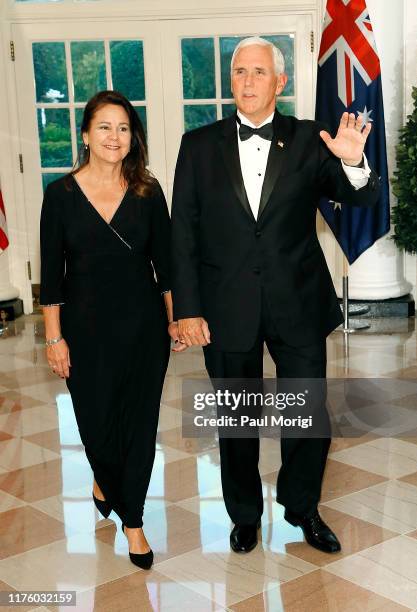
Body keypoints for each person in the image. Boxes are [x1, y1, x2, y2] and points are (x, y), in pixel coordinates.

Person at [171, 37, 380, 555]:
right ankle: (244, 515)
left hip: (298, 300)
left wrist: (355, 162)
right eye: (239, 71)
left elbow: (358, 196)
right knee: (236, 422)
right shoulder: (197, 146)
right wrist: (188, 309)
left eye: (258, 72)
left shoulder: (312, 139)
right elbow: (183, 234)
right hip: (224, 306)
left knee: (308, 414)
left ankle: (302, 507)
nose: (246, 81)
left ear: (280, 82)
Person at [40, 90, 185, 570]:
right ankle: (104, 477)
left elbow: (165, 267)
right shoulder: (59, 196)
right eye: (104, 126)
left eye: (123, 128)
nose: (114, 137)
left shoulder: (148, 192)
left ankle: (135, 522)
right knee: (97, 425)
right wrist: (54, 337)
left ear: (133, 137)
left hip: (143, 328)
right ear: (85, 134)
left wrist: (174, 318)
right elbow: (51, 275)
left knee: (139, 427)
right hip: (84, 332)